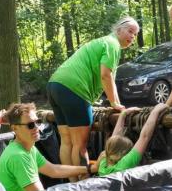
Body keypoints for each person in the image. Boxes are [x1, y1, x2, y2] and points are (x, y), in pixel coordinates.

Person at [46, 17, 140, 179]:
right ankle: (83, 183)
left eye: (136, 34)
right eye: (130, 31)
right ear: (118, 30)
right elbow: (106, 75)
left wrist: (116, 102)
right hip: (74, 90)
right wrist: (115, 103)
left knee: (67, 141)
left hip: (55, 85)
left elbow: (105, 77)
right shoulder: (112, 44)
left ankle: (70, 183)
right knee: (80, 145)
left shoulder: (101, 42)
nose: (132, 37)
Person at [0, 103, 97, 191]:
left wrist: (89, 169)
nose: (36, 128)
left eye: (37, 122)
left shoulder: (28, 148)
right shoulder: (18, 155)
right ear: (14, 128)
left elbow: (53, 170)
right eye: (30, 125)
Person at [93, 103, 169, 176]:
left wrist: (123, 115)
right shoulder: (125, 165)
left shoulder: (103, 162)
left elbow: (114, 141)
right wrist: (155, 111)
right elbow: (145, 136)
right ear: (123, 154)